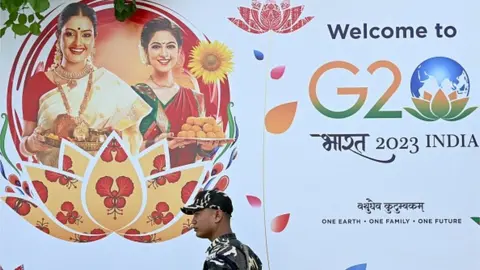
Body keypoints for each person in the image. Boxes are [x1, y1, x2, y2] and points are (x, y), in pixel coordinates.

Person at [20, 2, 151, 167]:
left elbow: (132, 135)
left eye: (86, 35)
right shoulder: (37, 83)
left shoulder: (109, 84)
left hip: (100, 180)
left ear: (94, 38)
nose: (78, 42)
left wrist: (118, 141)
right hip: (52, 183)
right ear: (58, 36)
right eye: (70, 34)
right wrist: (31, 144)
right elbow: (24, 143)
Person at [132, 17, 218, 168]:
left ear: (178, 51)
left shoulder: (195, 99)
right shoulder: (133, 95)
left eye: (170, 46)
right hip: (144, 184)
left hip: (184, 183)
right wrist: (153, 145)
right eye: (156, 46)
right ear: (146, 51)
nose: (164, 54)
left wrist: (207, 148)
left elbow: (198, 155)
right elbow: (122, 149)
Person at [181, 189, 263, 270]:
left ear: (217, 215)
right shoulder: (247, 252)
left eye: (197, 214)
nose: (193, 221)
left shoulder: (219, 257)